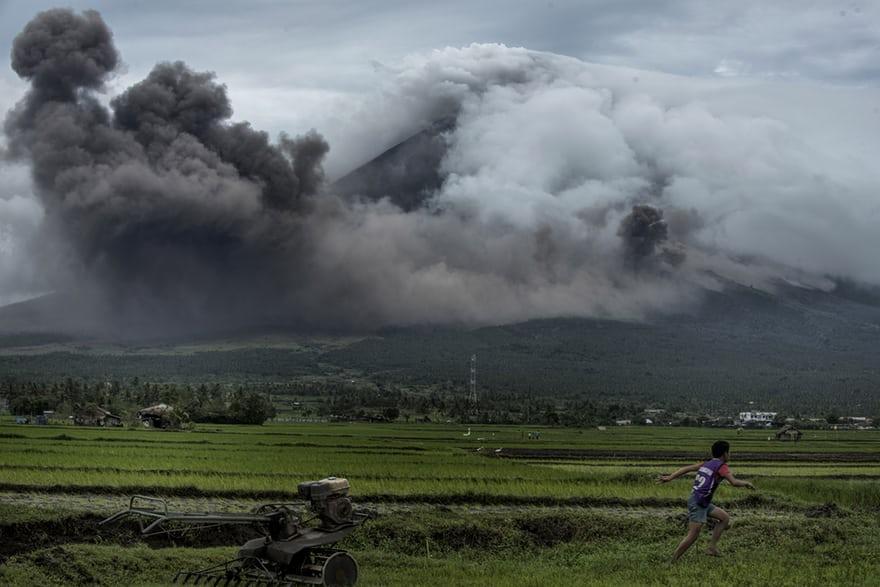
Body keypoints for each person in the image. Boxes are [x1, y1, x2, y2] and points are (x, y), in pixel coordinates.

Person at [658, 440, 755, 560]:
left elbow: (687, 468)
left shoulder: (706, 463)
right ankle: (672, 561)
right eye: (729, 452)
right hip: (698, 503)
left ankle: (712, 548)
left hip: (701, 501)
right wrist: (747, 483)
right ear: (724, 454)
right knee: (693, 535)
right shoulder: (722, 466)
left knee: (724, 518)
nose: (730, 455)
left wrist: (670, 477)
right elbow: (734, 482)